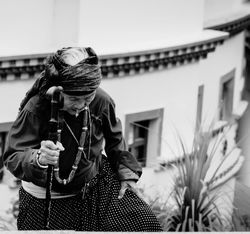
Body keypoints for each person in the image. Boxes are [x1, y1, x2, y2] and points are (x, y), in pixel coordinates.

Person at [3, 47, 163, 231]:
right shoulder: (36, 108)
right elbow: (12, 156)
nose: (80, 106)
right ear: (58, 89)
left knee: (145, 224)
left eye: (87, 98)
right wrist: (38, 157)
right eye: (73, 98)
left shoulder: (102, 101)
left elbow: (115, 140)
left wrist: (126, 173)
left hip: (96, 186)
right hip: (46, 199)